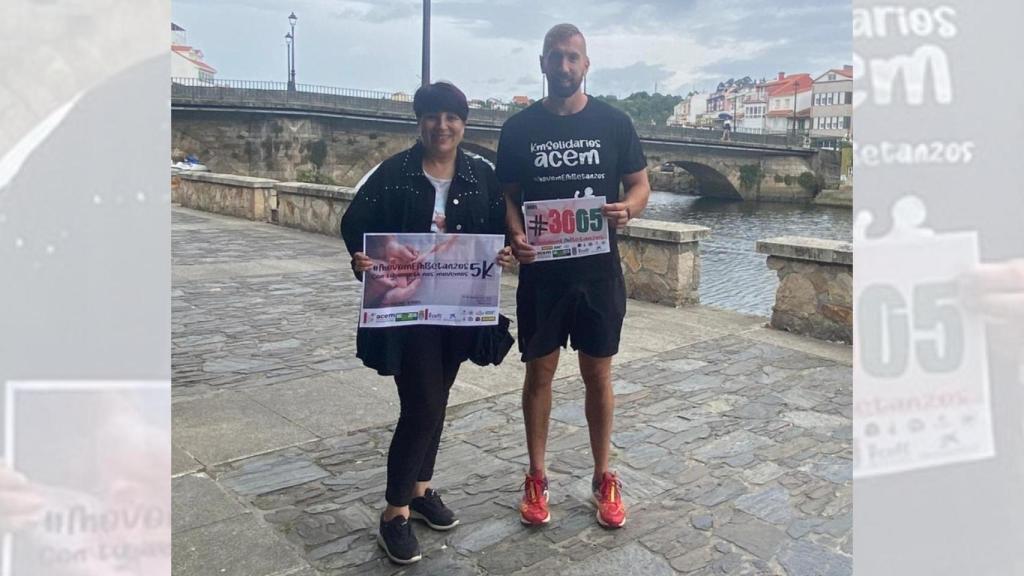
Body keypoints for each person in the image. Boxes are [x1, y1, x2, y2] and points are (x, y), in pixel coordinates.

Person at [340, 81, 513, 564]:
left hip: (457, 310)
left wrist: (501, 249)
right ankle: (394, 512)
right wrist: (360, 258)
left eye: (452, 117)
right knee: (423, 404)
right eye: (433, 116)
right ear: (419, 122)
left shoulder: (481, 175)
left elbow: (499, 226)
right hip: (407, 310)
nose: (442, 126)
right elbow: (355, 223)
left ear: (463, 124)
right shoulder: (393, 172)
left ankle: (420, 489)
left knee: (437, 400)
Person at [496, 23, 651, 529]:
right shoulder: (518, 129)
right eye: (555, 57)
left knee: (597, 375)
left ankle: (603, 475)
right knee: (538, 374)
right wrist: (516, 235)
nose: (563, 66)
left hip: (597, 272)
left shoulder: (615, 122)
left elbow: (640, 186)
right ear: (542, 63)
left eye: (572, 58)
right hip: (543, 275)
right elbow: (509, 197)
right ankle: (537, 476)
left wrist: (628, 209)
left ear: (586, 65)